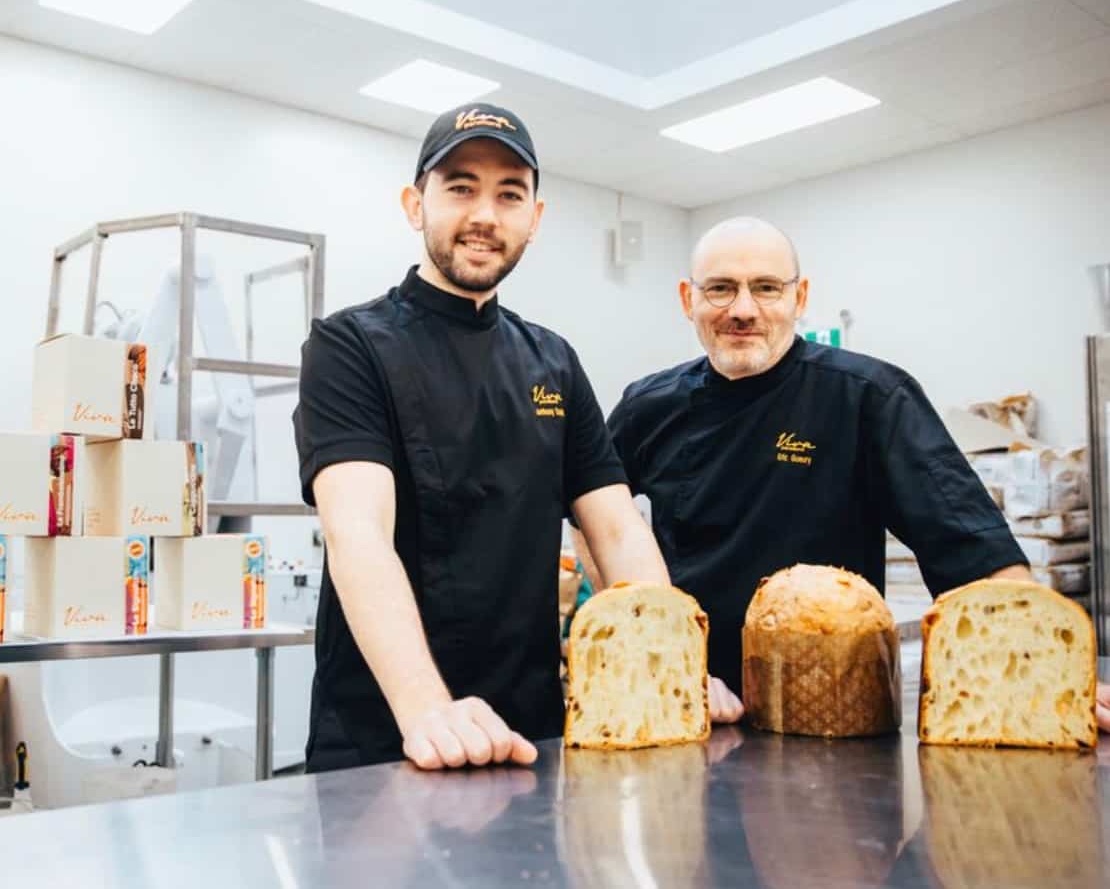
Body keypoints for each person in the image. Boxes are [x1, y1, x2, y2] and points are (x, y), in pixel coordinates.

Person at [293, 103, 742, 774]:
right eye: (461, 187)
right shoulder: (350, 345)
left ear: (534, 218)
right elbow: (358, 538)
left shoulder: (552, 361)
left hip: (533, 734)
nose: (485, 214)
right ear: (416, 205)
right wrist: (426, 709)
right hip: (387, 737)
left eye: (509, 194)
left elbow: (616, 531)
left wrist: (673, 664)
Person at [575, 216, 1110, 733]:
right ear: (688, 299)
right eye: (720, 288)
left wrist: (1047, 664)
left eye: (765, 288)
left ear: (799, 297)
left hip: (835, 707)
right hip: (693, 701)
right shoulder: (649, 405)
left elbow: (968, 541)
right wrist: (653, 645)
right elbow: (590, 511)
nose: (742, 309)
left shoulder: (869, 397)